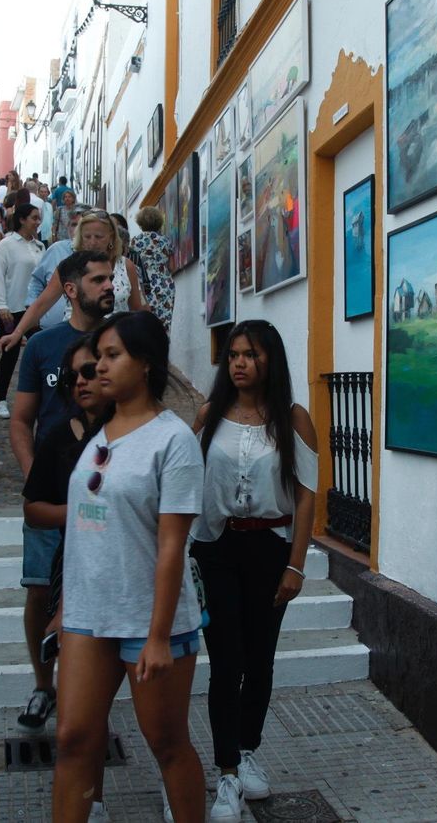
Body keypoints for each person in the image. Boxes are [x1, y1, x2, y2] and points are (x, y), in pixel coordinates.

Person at [51, 312, 206, 823]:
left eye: (113, 355)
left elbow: (171, 545)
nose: (99, 366)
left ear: (145, 364)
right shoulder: (100, 432)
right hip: (88, 616)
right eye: (99, 356)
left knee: (166, 744)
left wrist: (159, 636)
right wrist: (65, 605)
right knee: (74, 739)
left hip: (149, 620)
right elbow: (81, 529)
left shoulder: (173, 440)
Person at [189, 320, 319, 821]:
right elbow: (182, 479)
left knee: (260, 658)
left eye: (251, 355)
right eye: (235, 354)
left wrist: (296, 565)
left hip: (269, 549)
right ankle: (225, 775)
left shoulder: (293, 418)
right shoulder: (209, 415)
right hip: (215, 548)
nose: (240, 363)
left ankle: (246, 751)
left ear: (271, 361)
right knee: (226, 662)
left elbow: (307, 494)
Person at [7, 250, 116, 735]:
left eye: (111, 277)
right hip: (55, 493)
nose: (108, 285)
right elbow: (20, 420)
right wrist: (39, 478)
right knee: (39, 591)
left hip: (113, 494)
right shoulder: (43, 346)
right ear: (70, 289)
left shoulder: (123, 342)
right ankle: (43, 684)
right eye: (97, 279)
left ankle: (95, 688)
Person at [0, 213, 145, 350]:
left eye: (99, 237)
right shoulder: (70, 266)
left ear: (111, 237)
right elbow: (42, 303)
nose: (92, 242)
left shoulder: (125, 266)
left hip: (116, 341)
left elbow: (137, 309)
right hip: (77, 341)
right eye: (87, 236)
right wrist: (17, 333)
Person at [0, 204, 45, 420]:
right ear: (22, 219)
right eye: (34, 217)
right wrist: (2, 304)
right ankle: (1, 399)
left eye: (39, 218)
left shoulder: (40, 246)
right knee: (9, 355)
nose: (37, 222)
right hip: (12, 308)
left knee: (40, 352)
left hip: (34, 309)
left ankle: (39, 397)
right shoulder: (7, 245)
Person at [129, 206, 175, 329]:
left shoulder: (134, 242)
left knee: (143, 324)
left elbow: (131, 263)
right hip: (165, 285)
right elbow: (171, 266)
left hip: (143, 285)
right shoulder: (165, 241)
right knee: (163, 325)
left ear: (140, 223)